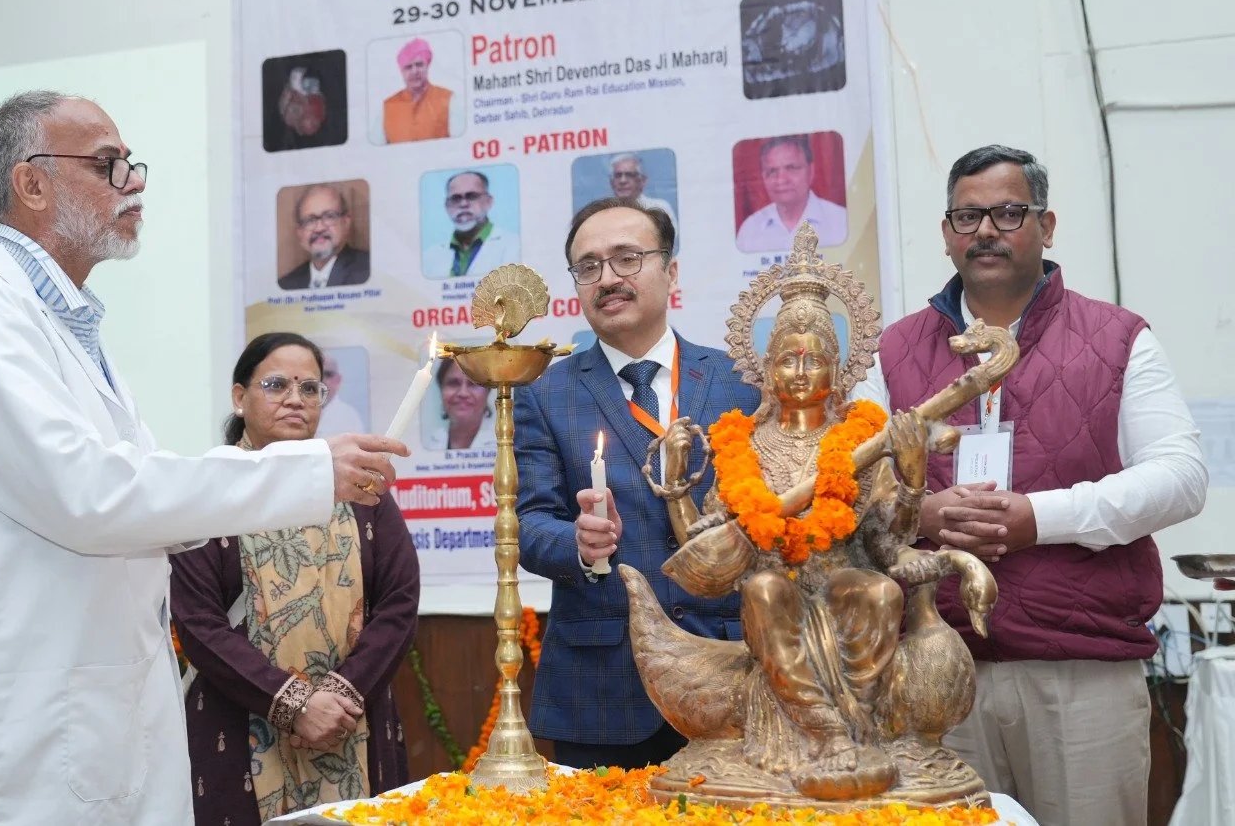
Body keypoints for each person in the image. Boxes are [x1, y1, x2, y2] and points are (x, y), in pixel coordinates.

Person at [0, 91, 406, 825]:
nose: (134, 182)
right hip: (25, 730)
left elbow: (136, 490)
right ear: (31, 183)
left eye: (132, 164)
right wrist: (305, 469)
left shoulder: (63, 323)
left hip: (92, 710)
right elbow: (94, 497)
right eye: (108, 164)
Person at [853, 144, 1207, 826]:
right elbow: (850, 489)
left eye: (1008, 213)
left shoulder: (1117, 338)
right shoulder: (891, 352)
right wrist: (921, 511)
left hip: (1080, 671)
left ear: (1046, 226)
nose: (986, 230)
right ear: (947, 233)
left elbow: (1181, 478)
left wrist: (1039, 518)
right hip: (932, 670)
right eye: (968, 216)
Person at [633, 223, 998, 802]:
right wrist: (677, 488)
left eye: (813, 360)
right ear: (765, 369)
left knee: (881, 592)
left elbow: (891, 540)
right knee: (763, 589)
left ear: (838, 368)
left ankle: (861, 726)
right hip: (773, 595)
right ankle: (825, 732)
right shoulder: (743, 444)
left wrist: (911, 477)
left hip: (843, 581)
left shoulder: (862, 440)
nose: (800, 372)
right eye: (787, 360)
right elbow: (707, 558)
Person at [514, 197, 759, 769]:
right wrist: (578, 543)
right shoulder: (544, 394)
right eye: (589, 266)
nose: (608, 279)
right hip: (603, 686)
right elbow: (528, 525)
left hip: (730, 666)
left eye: (627, 258)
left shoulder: (740, 383)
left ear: (670, 271)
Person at [172, 332, 419, 825]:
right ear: (240, 397)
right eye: (276, 385)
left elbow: (399, 600)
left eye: (310, 388)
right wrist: (295, 705)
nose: (295, 399)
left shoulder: (361, 490)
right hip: (239, 724)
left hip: (353, 722)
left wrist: (341, 697)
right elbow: (199, 623)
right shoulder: (210, 489)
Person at [737, 135, 847, 253]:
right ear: (763, 177)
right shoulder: (750, 229)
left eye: (791, 168)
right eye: (772, 171)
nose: (781, 180)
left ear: (811, 171)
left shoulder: (841, 221)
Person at [424, 171, 518, 279]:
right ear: (446, 206)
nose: (463, 204)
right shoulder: (430, 257)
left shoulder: (514, 247)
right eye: (455, 198)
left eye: (472, 196)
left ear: (489, 202)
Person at [278, 184, 370, 290]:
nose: (319, 228)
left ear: (345, 223)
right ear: (300, 233)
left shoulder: (370, 269)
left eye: (329, 216)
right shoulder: (285, 285)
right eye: (310, 220)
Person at [376, 37, 459, 144]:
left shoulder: (448, 99)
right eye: (408, 67)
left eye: (419, 64)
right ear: (401, 71)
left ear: (427, 65)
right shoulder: (387, 106)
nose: (414, 71)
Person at [426, 356, 495, 451]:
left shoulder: (506, 443)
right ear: (441, 389)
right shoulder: (428, 444)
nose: (463, 393)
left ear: (487, 392)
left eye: (473, 383)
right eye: (453, 383)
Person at [608, 153, 677, 223]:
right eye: (618, 175)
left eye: (629, 175)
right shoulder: (605, 212)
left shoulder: (660, 209)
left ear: (643, 181)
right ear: (611, 182)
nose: (623, 181)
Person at [317, 351, 368, 435]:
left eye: (328, 374)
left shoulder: (350, 417)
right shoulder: (302, 411)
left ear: (338, 379)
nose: (322, 379)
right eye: (318, 374)